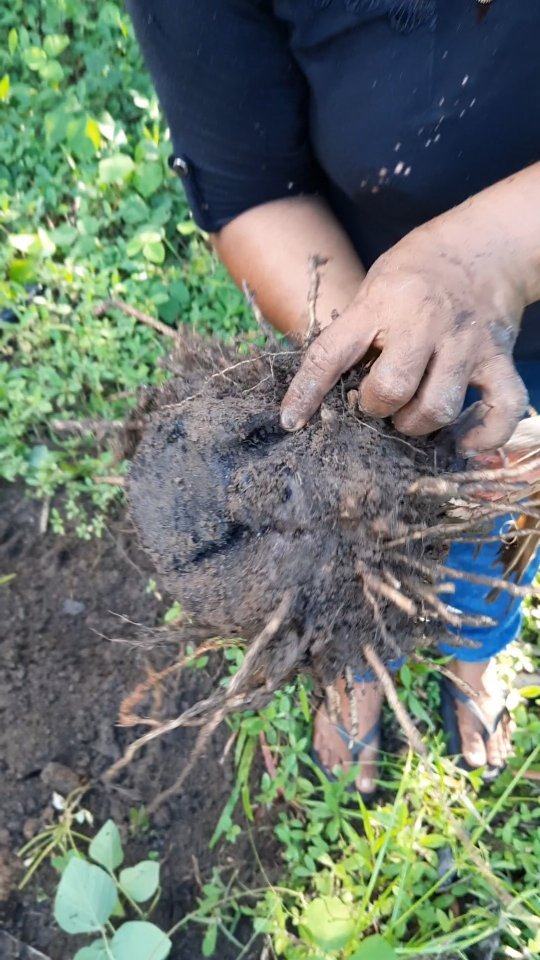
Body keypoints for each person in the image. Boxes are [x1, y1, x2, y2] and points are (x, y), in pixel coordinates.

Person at [128, 0, 540, 795]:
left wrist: (494, 258)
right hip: (366, 296)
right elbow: (252, 188)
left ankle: (476, 654)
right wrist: (372, 368)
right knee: (356, 539)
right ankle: (359, 664)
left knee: (504, 528)